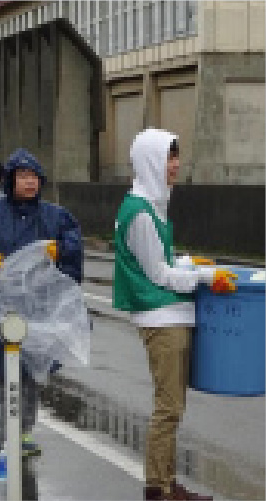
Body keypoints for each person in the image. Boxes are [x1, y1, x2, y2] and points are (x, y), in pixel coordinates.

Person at [112, 129, 236, 501]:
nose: (176, 164)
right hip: (160, 319)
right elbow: (159, 276)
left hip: (169, 316)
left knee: (172, 407)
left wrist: (186, 261)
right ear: (151, 160)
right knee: (168, 408)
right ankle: (157, 488)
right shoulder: (141, 213)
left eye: (176, 156)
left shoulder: (151, 204)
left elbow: (162, 263)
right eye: (169, 157)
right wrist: (204, 275)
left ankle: (167, 483)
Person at [0, 147, 83, 485]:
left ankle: (21, 436)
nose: (29, 183)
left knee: (29, 379)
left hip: (35, 314)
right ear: (10, 180)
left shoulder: (54, 216)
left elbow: (74, 245)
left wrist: (62, 249)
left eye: (34, 177)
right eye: (22, 176)